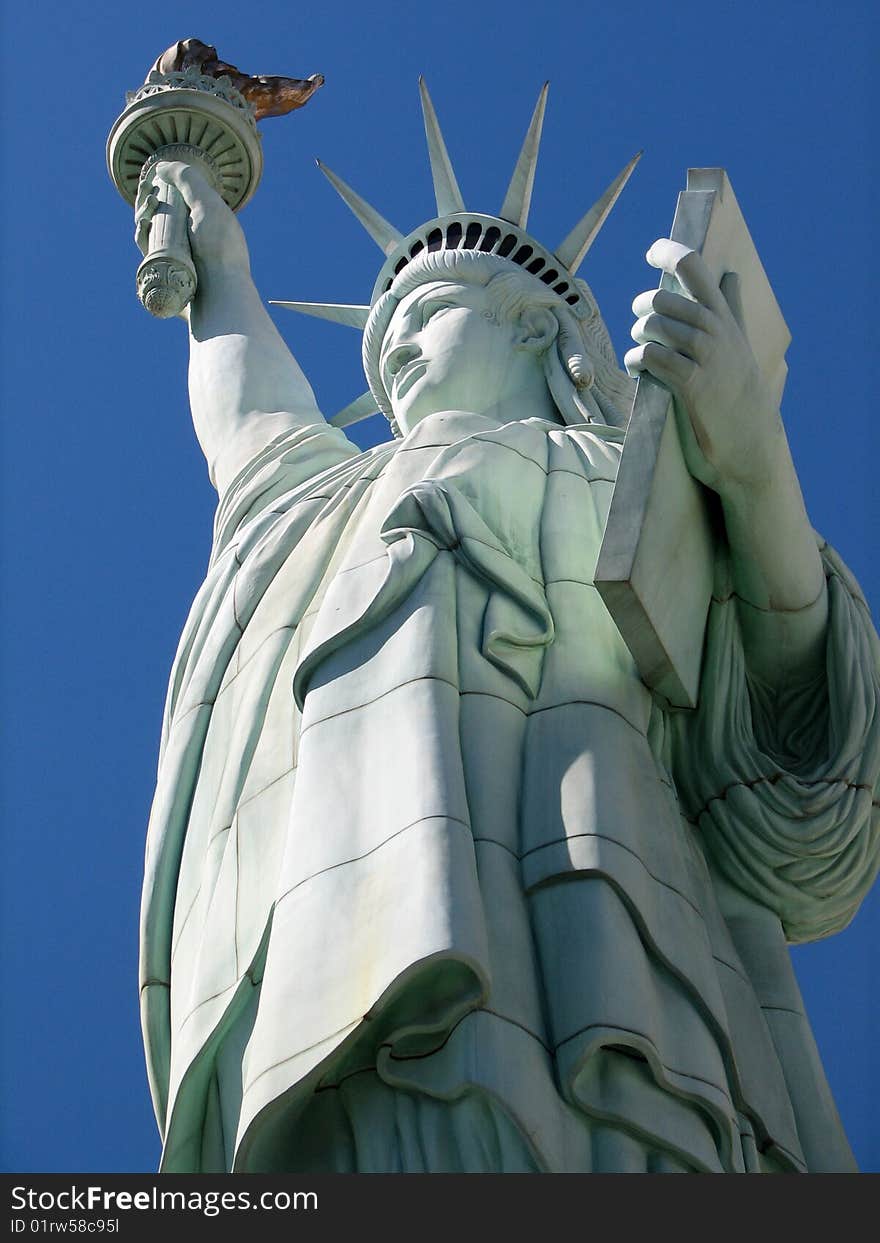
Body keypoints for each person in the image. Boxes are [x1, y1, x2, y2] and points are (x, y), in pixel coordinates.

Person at [133, 109, 879, 1173]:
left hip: (611, 957)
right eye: (380, 328)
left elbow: (802, 744)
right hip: (332, 974)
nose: (390, 341)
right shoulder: (321, 502)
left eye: (424, 306)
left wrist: (753, 462)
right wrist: (212, 244)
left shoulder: (637, 486)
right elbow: (247, 410)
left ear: (539, 328)